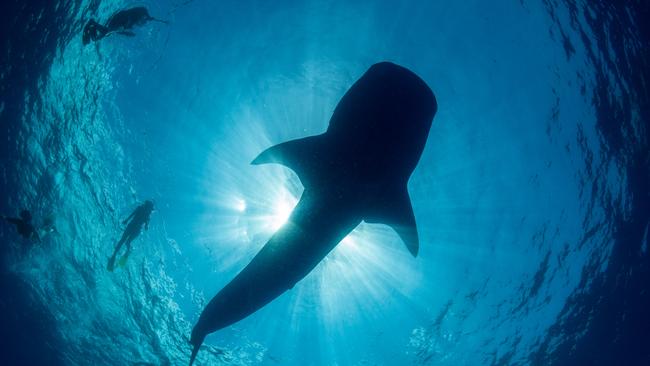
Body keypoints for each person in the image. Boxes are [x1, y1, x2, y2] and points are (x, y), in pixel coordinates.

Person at [83, 6, 168, 45]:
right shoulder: (134, 16)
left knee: (102, 35)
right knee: (105, 32)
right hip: (120, 19)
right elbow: (143, 10)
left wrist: (127, 34)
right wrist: (125, 30)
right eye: (143, 21)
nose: (142, 24)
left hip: (120, 21)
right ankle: (92, 23)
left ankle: (93, 28)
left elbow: (120, 31)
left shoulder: (135, 20)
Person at [107, 200, 154, 271]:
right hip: (133, 227)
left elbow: (145, 225)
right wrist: (126, 220)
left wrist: (146, 226)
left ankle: (124, 253)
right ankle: (115, 255)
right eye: (149, 207)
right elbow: (133, 214)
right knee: (123, 241)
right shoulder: (141, 209)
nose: (149, 209)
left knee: (125, 241)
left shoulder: (147, 214)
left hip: (135, 229)